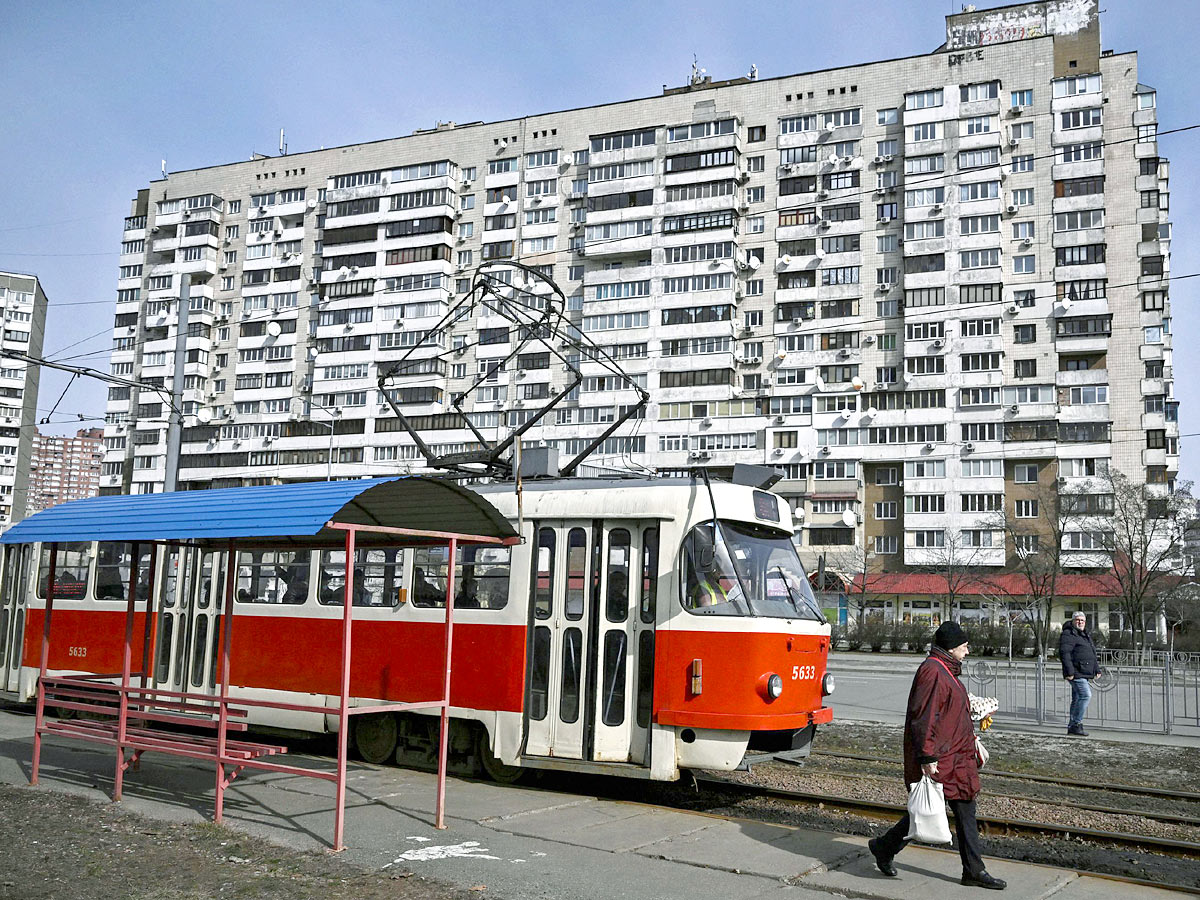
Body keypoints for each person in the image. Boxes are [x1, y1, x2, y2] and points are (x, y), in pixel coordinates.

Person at [868, 621, 1007, 891]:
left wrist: (975, 711)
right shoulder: (932, 672)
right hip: (942, 758)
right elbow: (924, 717)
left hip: (957, 755)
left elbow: (947, 709)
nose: (967, 651)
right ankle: (884, 847)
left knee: (958, 810)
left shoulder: (945, 669)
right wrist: (926, 757)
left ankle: (973, 871)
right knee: (925, 811)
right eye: (965, 647)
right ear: (951, 647)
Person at [1059, 611, 1099, 736]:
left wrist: (1096, 669)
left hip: (1084, 671)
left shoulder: (1084, 634)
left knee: (1077, 698)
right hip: (1076, 672)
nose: (1080, 622)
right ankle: (1076, 723)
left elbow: (1092, 653)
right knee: (1086, 695)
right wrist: (1069, 671)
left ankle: (1072, 726)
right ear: (1073, 621)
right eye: (1077, 620)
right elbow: (1064, 653)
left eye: (1082, 620)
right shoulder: (1068, 634)